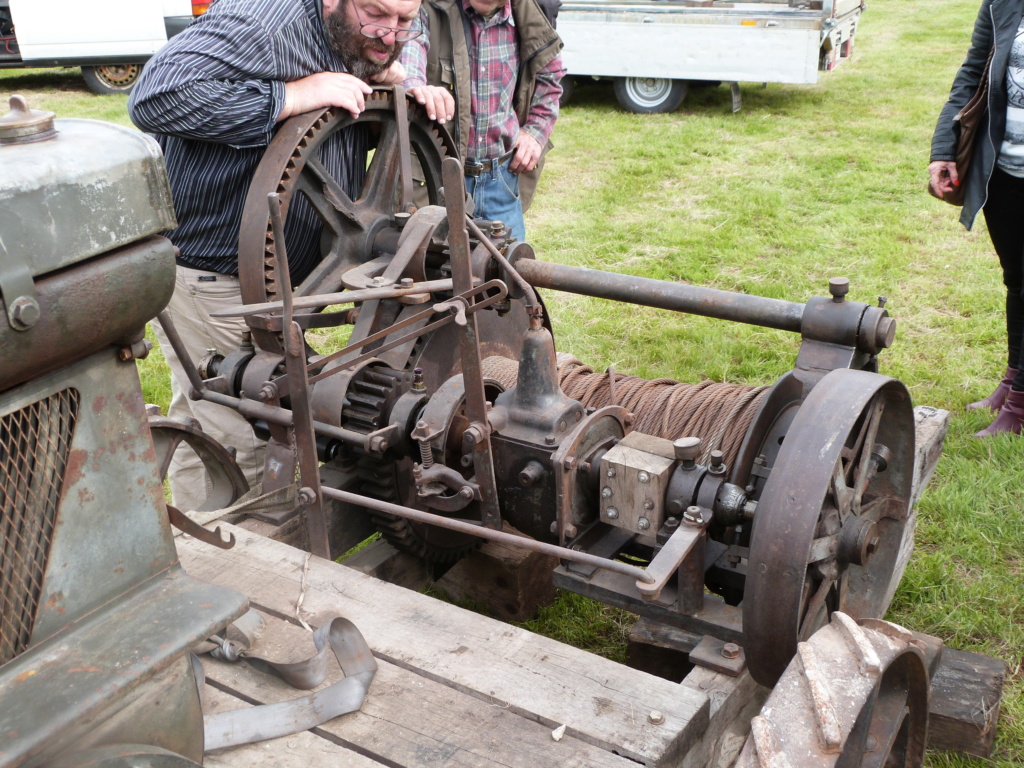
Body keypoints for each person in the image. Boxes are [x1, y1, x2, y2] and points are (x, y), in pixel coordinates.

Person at [129, 0, 448, 509]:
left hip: (281, 281)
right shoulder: (262, 25)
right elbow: (156, 97)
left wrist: (404, 96)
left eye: (404, 22)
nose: (389, 35)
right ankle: (240, 564)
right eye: (376, 14)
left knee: (212, 413)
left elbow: (360, 103)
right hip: (218, 276)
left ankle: (198, 543)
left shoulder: (356, 33)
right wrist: (291, 94)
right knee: (250, 429)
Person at [929, 0, 1024, 436]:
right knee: (1017, 279)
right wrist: (944, 150)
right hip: (1002, 167)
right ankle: (1012, 381)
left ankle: (1020, 405)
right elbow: (973, 71)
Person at [398, 0, 565, 243]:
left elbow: (550, 80)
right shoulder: (428, 8)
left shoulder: (531, 15)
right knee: (435, 274)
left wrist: (536, 133)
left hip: (502, 182)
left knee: (506, 273)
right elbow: (409, 54)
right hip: (436, 179)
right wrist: (415, 87)